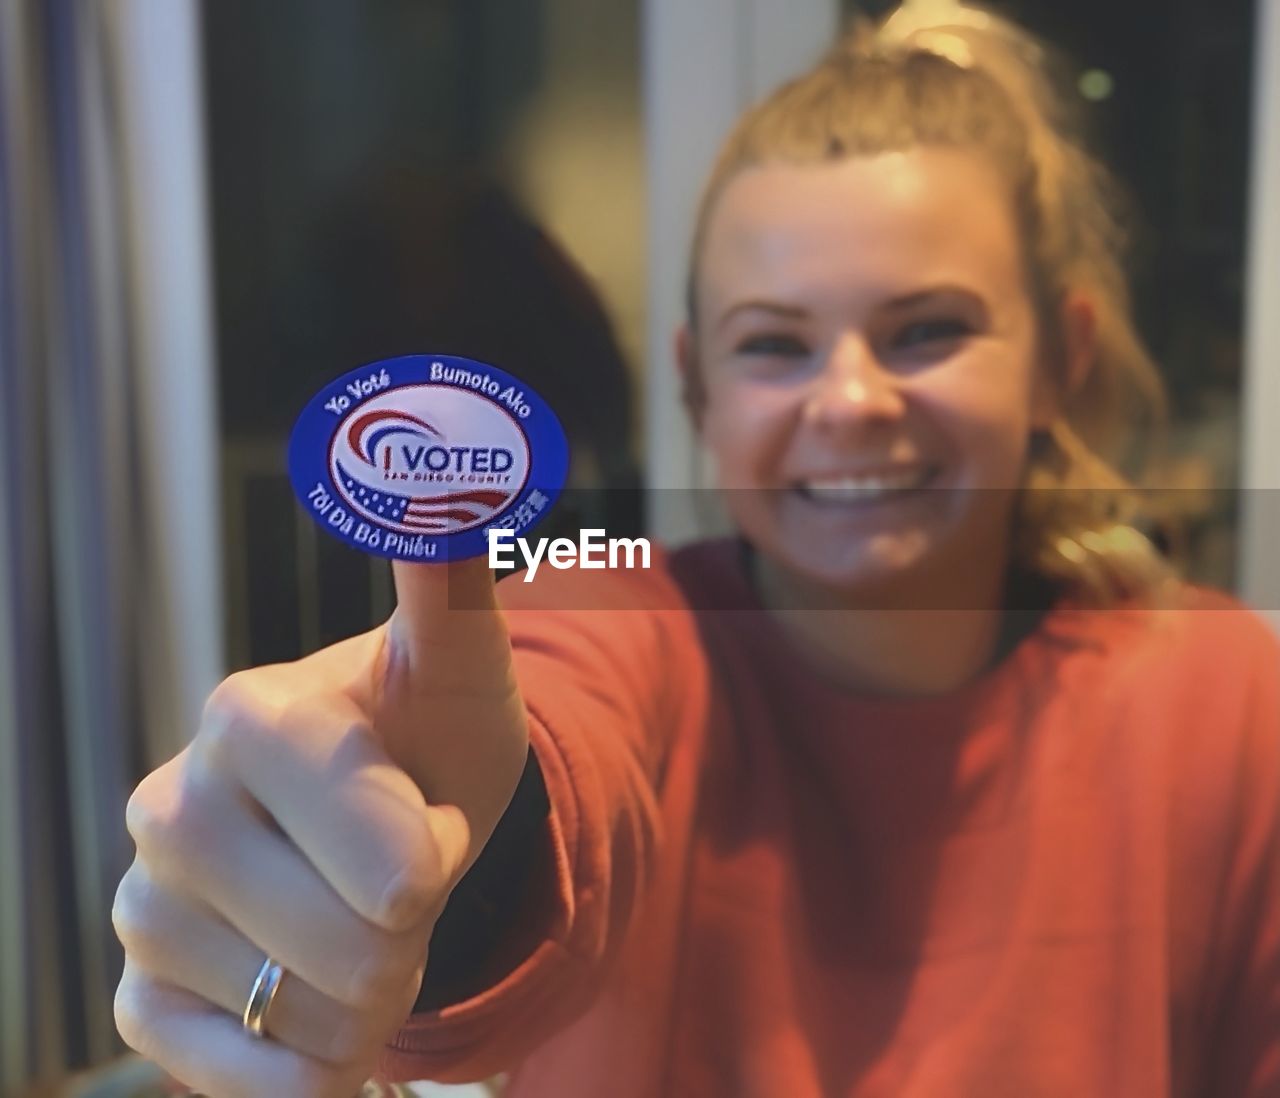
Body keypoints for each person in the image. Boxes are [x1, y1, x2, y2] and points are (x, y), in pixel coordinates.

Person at [111, 5, 1280, 1097]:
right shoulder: (630, 614)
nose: (853, 401)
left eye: (927, 330)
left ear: (1058, 358)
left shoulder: (1222, 697)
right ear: (695, 388)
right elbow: (558, 745)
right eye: (774, 346)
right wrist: (417, 855)